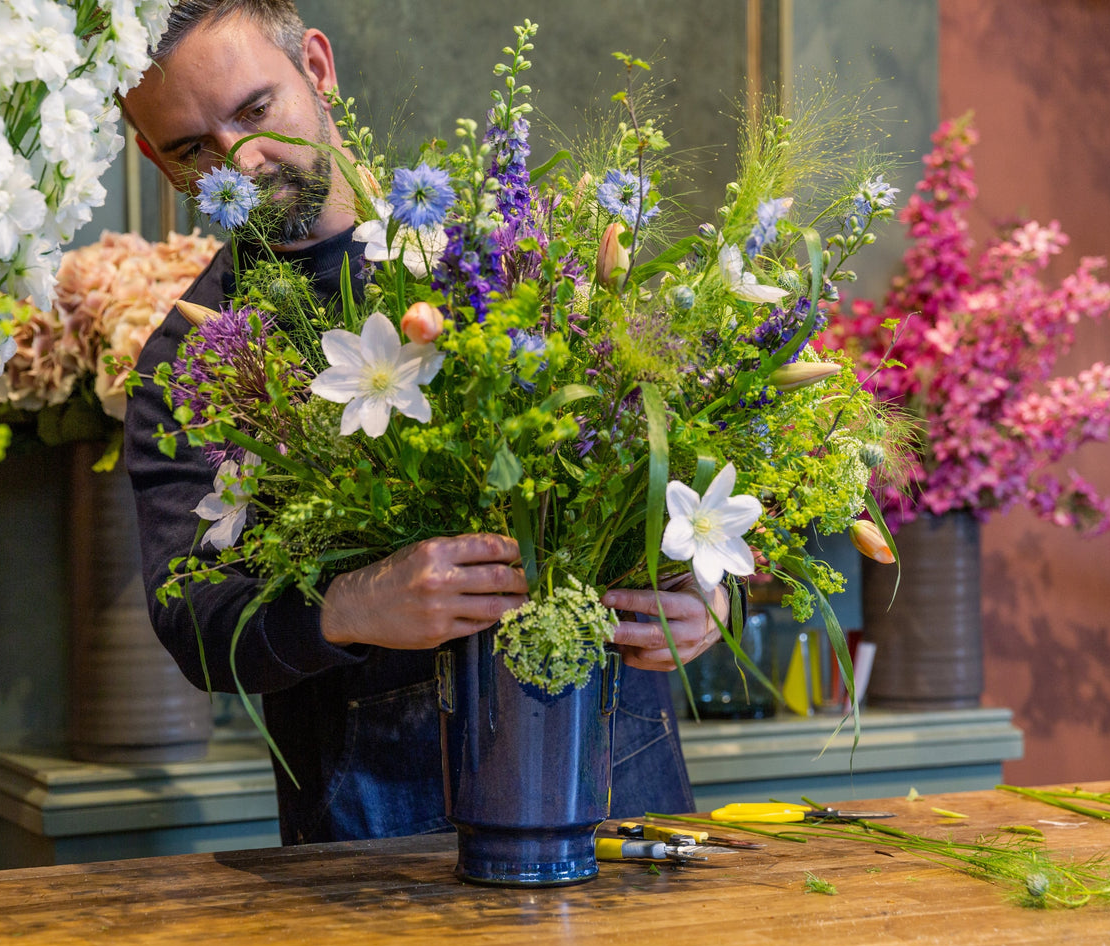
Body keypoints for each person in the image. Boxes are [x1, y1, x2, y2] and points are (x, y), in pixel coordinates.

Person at [122, 0, 731, 845]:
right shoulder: (195, 356)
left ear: (319, 69)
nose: (244, 160)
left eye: (256, 111)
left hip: (620, 776)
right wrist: (344, 607)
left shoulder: (512, 254)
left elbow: (670, 480)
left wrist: (703, 598)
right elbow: (192, 619)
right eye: (193, 148)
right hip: (376, 837)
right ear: (155, 158)